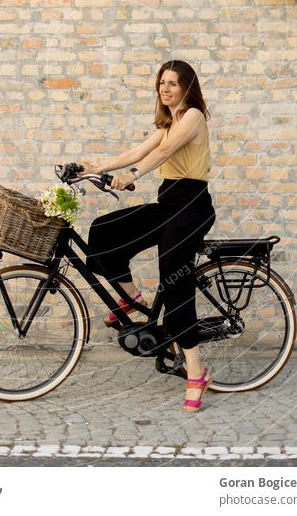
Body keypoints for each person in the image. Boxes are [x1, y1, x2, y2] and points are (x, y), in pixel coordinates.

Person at [80, 59, 216, 412]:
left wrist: (133, 176)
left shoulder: (193, 116)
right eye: (162, 83)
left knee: (174, 281)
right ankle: (129, 297)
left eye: (173, 83)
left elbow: (162, 153)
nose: (165, 89)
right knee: (104, 230)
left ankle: (196, 371)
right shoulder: (169, 123)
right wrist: (96, 168)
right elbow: (138, 150)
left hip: (192, 207)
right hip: (170, 203)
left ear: (187, 87)